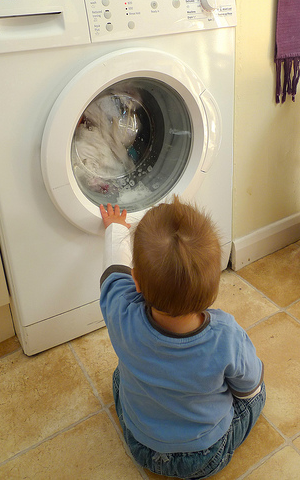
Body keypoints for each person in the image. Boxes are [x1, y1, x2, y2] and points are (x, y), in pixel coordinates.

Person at [99, 197, 265, 479]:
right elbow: (248, 386)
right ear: (213, 286)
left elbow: (113, 270)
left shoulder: (120, 311)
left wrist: (114, 228)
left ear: (136, 280)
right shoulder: (225, 335)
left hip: (140, 444)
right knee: (256, 394)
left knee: (120, 376)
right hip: (204, 456)